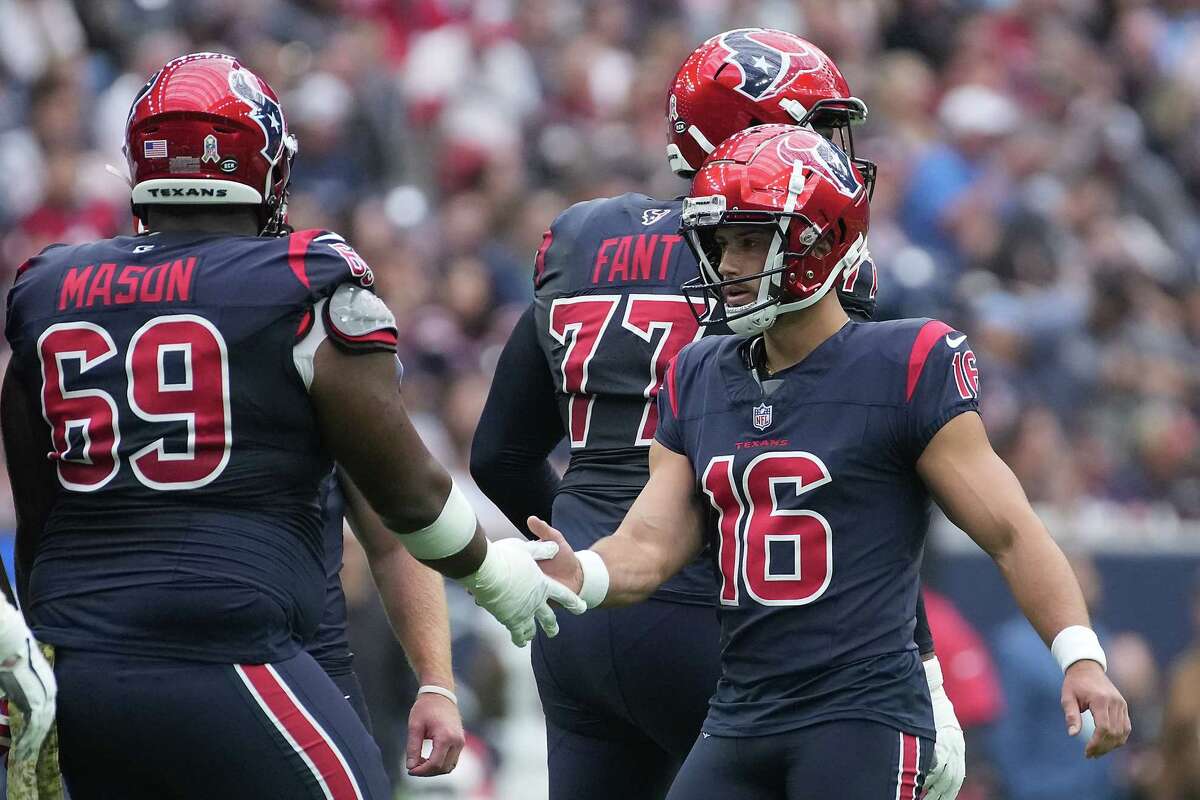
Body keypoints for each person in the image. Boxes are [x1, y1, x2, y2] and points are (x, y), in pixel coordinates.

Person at [0, 52, 581, 799]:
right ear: (266, 169)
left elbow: (39, 506)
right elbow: (402, 495)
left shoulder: (50, 287)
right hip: (229, 652)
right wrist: (490, 571)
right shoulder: (300, 287)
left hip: (82, 665)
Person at [528, 124, 1131, 800]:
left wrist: (1080, 656)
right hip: (739, 711)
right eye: (723, 242)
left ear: (821, 243)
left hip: (861, 712)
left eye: (751, 239)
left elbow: (1012, 533)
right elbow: (651, 540)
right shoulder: (696, 373)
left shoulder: (905, 364)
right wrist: (585, 570)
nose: (728, 264)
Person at [470, 29, 963, 800]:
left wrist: (586, 553)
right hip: (722, 614)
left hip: (583, 620)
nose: (837, 151)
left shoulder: (578, 236)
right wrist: (923, 671)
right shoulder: (783, 262)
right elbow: (857, 487)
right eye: (816, 129)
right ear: (753, 134)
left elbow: (499, 454)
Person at [308, 471, 465, 779]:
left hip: (372, 745)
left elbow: (399, 542)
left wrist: (437, 687)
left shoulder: (385, 620)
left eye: (351, 551)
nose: (346, 562)